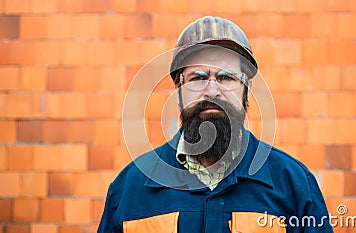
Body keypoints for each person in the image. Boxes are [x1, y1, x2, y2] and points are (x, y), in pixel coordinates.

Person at [98, 16, 333, 233]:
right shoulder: (130, 189)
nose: (212, 91)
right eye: (198, 78)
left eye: (226, 77)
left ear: (247, 91)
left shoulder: (293, 185)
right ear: (179, 90)